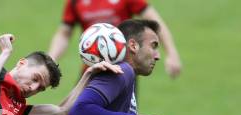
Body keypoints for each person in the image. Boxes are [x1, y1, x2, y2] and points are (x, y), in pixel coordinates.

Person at [48, 0, 181, 79]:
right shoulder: (75, 2)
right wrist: (50, 60)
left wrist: (171, 53)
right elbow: (64, 33)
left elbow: (154, 20)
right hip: (92, 69)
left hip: (124, 70)